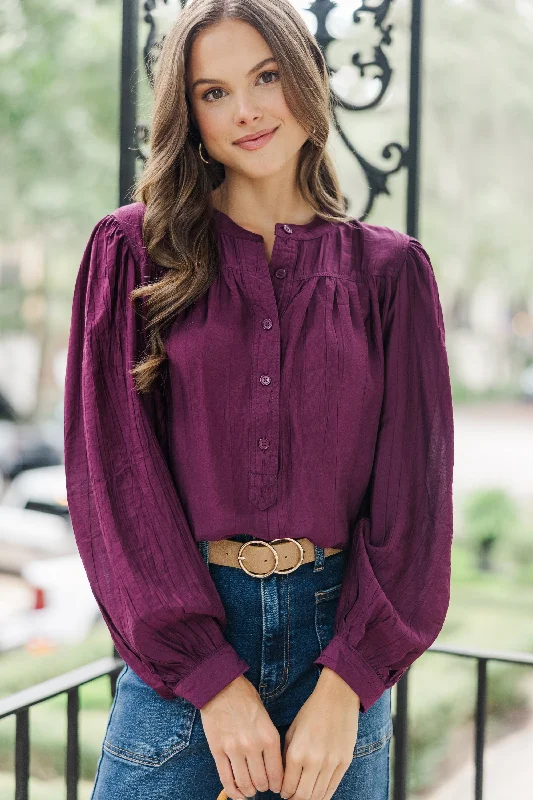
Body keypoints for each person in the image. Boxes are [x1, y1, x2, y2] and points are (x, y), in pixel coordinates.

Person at [63, 1, 454, 798]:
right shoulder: (131, 252)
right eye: (212, 92)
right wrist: (209, 676)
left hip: (338, 655)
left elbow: (414, 501)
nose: (244, 109)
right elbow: (114, 483)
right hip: (185, 658)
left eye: (265, 76)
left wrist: (348, 684)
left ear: (304, 78)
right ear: (190, 115)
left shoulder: (390, 274)